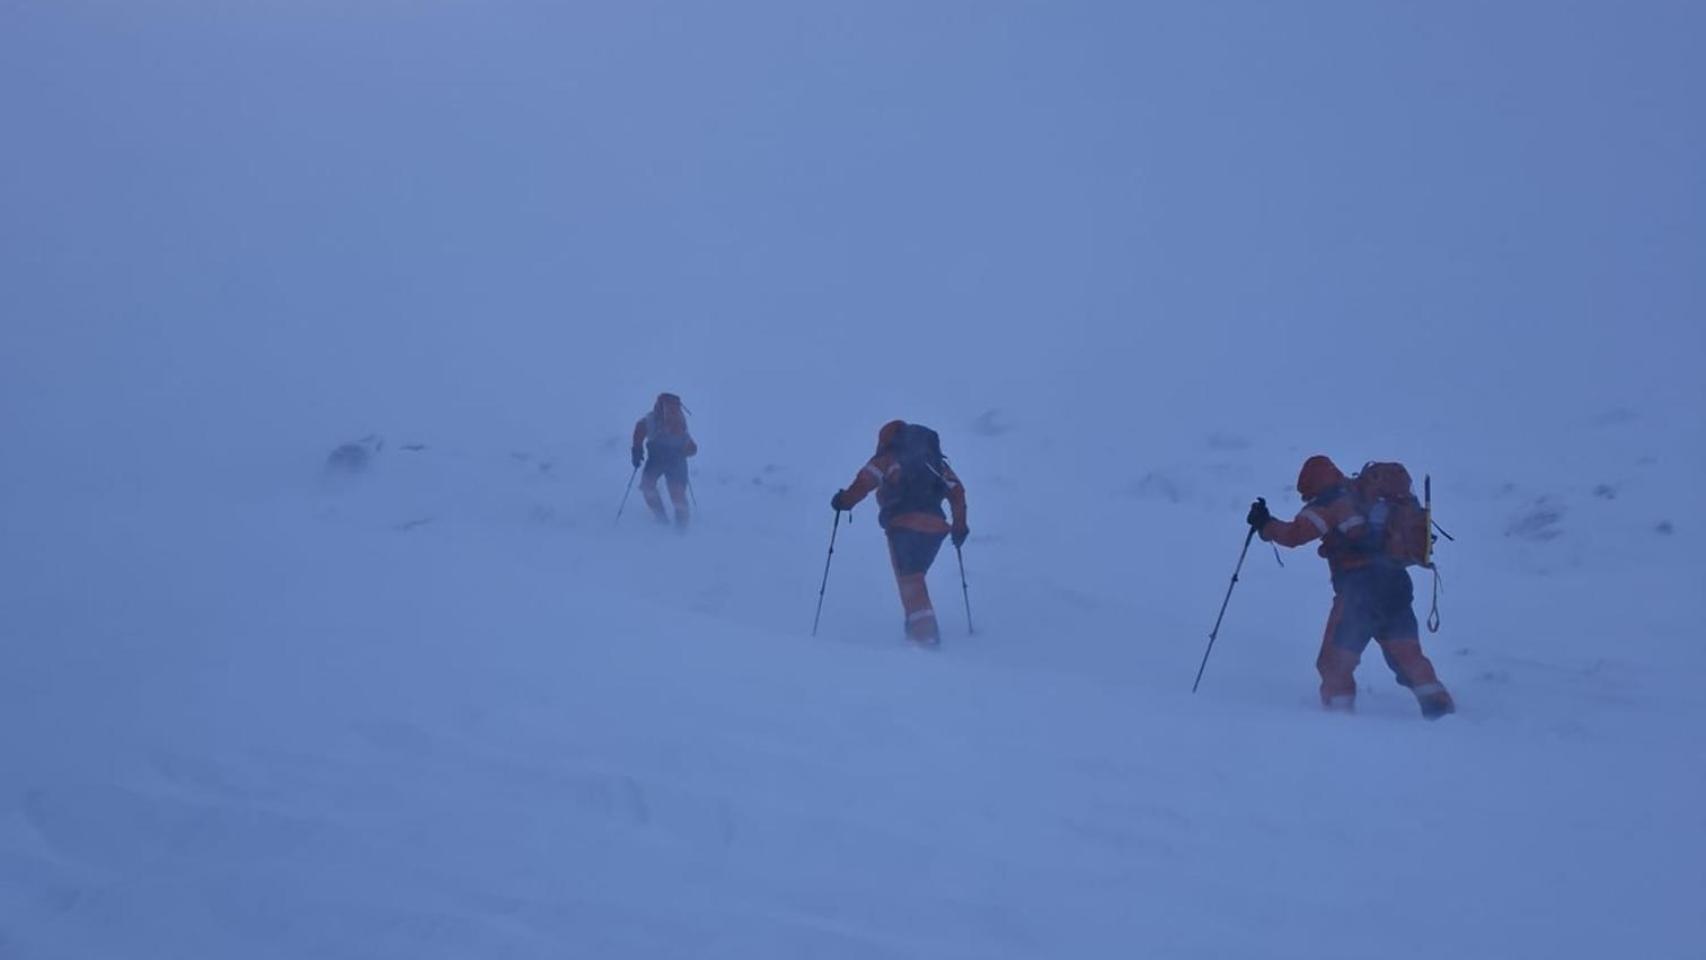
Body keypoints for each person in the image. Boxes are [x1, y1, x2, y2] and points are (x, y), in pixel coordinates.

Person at [1247, 455, 1456, 719]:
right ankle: (1442, 711)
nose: (1305, 499)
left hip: (1360, 593)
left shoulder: (1330, 502)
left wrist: (1265, 525)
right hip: (1397, 586)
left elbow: (1294, 535)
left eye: (1305, 494)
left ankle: (1339, 719)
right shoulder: (1363, 495)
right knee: (1408, 655)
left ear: (1312, 485)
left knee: (1334, 661)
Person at [831, 421, 969, 646]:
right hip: (936, 528)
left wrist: (844, 502)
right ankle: (915, 624)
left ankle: (925, 637)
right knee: (915, 575)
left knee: (910, 578)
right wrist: (960, 527)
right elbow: (957, 491)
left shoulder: (889, 458)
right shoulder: (936, 463)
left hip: (903, 524)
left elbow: (865, 480)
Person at [631, 393, 698, 529]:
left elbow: (692, 448)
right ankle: (666, 521)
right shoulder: (653, 421)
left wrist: (637, 450)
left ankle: (679, 527)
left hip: (675, 460)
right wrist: (637, 450)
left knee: (672, 492)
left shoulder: (679, 424)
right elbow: (692, 448)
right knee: (651, 487)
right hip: (659, 458)